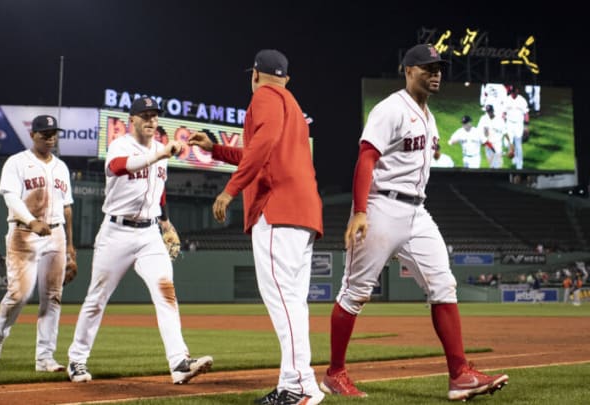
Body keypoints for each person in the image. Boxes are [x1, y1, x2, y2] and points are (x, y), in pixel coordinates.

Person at [323, 44, 509, 401]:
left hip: (417, 212)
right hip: (380, 207)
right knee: (355, 293)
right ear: (408, 70)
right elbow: (366, 158)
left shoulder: (428, 115)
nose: (435, 73)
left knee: (443, 284)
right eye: (427, 67)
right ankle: (335, 373)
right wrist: (360, 210)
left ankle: (460, 376)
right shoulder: (390, 109)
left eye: (438, 67)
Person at [188, 49, 325, 405]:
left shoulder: (264, 96)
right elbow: (261, 151)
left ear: (254, 75)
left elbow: (262, 145)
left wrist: (230, 190)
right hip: (303, 212)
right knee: (293, 302)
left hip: (278, 210)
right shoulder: (290, 102)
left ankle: (298, 389)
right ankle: (299, 384)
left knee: (283, 302)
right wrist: (217, 149)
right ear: (286, 77)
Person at [67, 97, 213, 385]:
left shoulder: (161, 150)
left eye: (154, 116)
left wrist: (165, 221)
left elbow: (158, 191)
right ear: (132, 119)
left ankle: (179, 362)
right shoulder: (121, 145)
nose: (151, 121)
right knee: (97, 298)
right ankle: (76, 360)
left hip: (149, 235)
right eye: (144, 116)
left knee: (166, 293)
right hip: (116, 232)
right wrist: (158, 156)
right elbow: (121, 167)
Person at [0, 114, 75, 372]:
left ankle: (45, 357)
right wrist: (31, 220)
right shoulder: (17, 162)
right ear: (33, 135)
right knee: (20, 294)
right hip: (23, 232)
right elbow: (11, 198)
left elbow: (67, 208)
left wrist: (70, 246)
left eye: (53, 133)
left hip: (56, 233)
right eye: (45, 133)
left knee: (53, 297)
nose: (50, 137)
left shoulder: (61, 167)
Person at [503, 85, 529, 170]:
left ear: (517, 91)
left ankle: (519, 165)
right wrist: (503, 123)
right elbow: (503, 113)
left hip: (518, 124)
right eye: (511, 92)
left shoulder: (522, 100)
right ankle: (514, 157)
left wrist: (526, 126)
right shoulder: (507, 99)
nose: (512, 94)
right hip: (509, 124)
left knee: (518, 145)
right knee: (507, 143)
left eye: (514, 92)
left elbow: (526, 114)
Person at [476, 105, 509, 169]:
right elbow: (478, 131)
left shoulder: (499, 120)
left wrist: (510, 144)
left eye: (490, 111)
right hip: (488, 144)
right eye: (487, 111)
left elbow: (505, 132)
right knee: (491, 164)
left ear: (493, 111)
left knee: (497, 164)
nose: (488, 113)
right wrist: (482, 140)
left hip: (497, 144)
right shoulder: (483, 119)